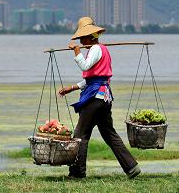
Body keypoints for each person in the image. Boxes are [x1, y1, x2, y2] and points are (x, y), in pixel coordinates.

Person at [58, 16, 141, 179]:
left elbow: (85, 66)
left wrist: (77, 53)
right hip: (103, 97)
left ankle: (77, 173)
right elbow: (94, 77)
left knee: (80, 135)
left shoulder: (96, 49)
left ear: (90, 36)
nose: (81, 40)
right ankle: (132, 167)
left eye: (82, 37)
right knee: (109, 134)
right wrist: (72, 88)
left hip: (95, 98)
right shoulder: (100, 50)